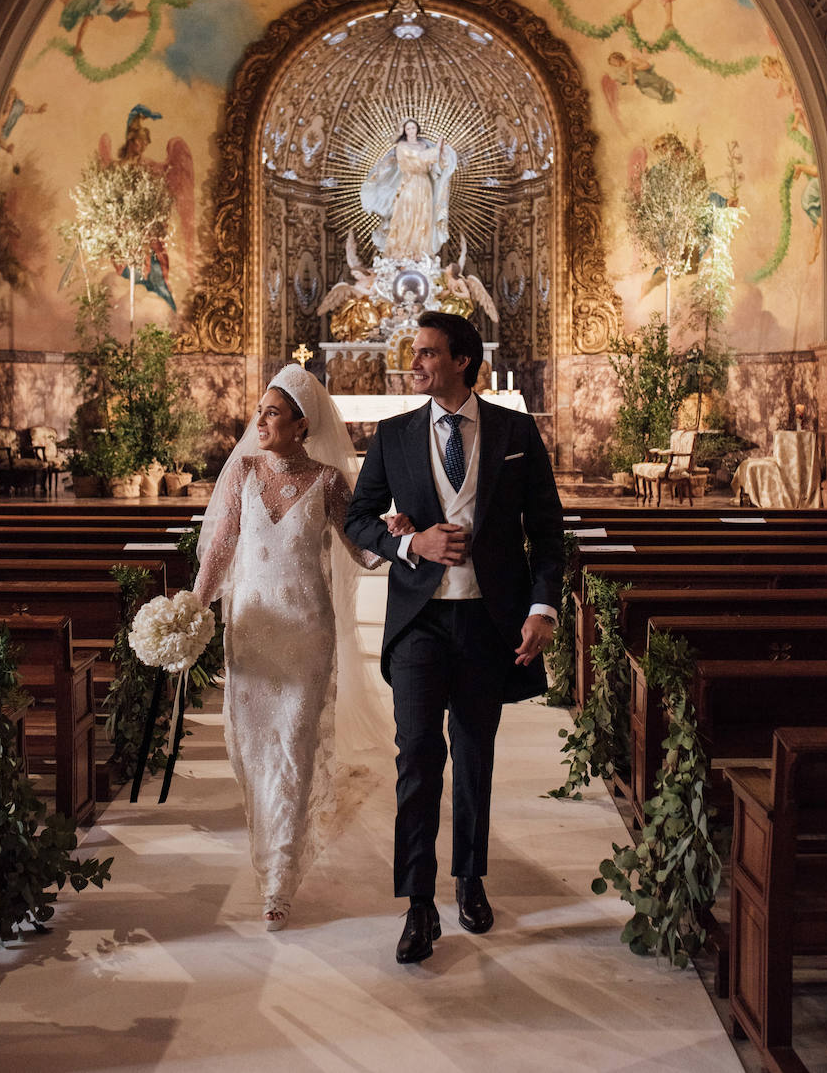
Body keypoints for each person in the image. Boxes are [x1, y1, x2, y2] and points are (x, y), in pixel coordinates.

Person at [345, 311, 564, 963]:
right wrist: (411, 541)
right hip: (418, 623)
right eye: (415, 353)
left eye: (427, 354)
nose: (415, 364)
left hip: (485, 623)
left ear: (462, 360)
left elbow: (547, 533)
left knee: (473, 757)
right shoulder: (393, 436)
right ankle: (417, 905)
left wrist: (542, 609)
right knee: (416, 758)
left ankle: (469, 878)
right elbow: (358, 519)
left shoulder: (515, 431)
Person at [193, 364, 387, 931]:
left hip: (307, 634)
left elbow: (364, 551)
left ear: (302, 425)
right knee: (252, 749)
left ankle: (278, 879)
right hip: (252, 631)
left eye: (273, 412)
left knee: (295, 747)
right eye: (260, 410)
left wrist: (401, 536)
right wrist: (191, 607)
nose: (260, 419)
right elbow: (221, 547)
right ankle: (265, 846)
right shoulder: (245, 473)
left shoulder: (328, 481)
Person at [361, 118, 456, 260]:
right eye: (408, 129)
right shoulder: (402, 146)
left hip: (424, 185)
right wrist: (436, 150)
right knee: (406, 216)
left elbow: (434, 165)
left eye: (413, 128)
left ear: (417, 129)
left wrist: (441, 153)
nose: (411, 131)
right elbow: (418, 160)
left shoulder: (424, 145)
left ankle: (420, 253)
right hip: (409, 184)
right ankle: (402, 252)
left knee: (424, 217)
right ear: (404, 131)